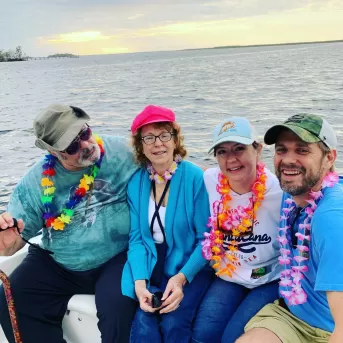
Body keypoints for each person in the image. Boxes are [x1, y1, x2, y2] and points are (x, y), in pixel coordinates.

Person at [0, 104, 138, 343]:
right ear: (54, 152)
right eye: (72, 146)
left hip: (118, 256)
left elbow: (169, 168)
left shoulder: (124, 151)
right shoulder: (35, 183)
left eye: (84, 133)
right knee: (10, 296)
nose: (85, 144)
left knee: (118, 306)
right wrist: (6, 242)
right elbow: (10, 245)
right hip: (59, 261)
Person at [236, 113, 343, 343]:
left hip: (328, 330)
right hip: (289, 315)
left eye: (303, 150)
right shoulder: (294, 190)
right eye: (282, 150)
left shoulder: (332, 219)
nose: (288, 160)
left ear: (330, 157)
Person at [121, 105, 213, 343]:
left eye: (164, 135)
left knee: (174, 323)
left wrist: (181, 279)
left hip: (189, 264)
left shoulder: (194, 178)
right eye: (149, 137)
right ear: (141, 145)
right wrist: (140, 285)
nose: (157, 143)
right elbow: (138, 239)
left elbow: (207, 239)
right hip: (152, 263)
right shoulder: (136, 183)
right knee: (143, 326)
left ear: (175, 139)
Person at [192, 117, 283, 343]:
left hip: (270, 279)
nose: (231, 159)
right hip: (229, 275)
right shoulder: (210, 180)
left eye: (239, 149)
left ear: (258, 149)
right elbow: (176, 167)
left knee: (233, 337)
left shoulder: (281, 191)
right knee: (202, 335)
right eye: (222, 151)